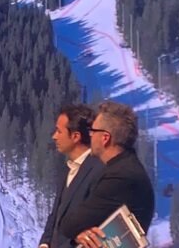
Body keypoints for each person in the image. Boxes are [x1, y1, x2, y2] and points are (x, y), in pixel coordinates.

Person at [61, 101, 154, 248]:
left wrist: (80, 232)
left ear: (105, 138)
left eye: (93, 131)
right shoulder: (125, 168)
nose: (90, 135)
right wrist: (82, 234)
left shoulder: (120, 177)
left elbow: (71, 225)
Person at [39, 104, 104, 248]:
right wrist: (45, 243)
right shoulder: (67, 169)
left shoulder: (99, 171)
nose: (54, 137)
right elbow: (56, 214)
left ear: (75, 136)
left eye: (59, 131)